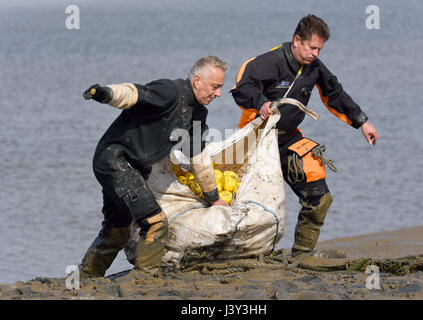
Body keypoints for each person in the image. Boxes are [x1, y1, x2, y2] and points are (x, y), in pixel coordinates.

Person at [231, 15, 378, 258]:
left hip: (289, 140)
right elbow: (241, 87)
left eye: (320, 49)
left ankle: (301, 256)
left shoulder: (315, 67)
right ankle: (241, 254)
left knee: (320, 197)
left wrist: (362, 122)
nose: (316, 53)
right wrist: (261, 103)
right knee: (248, 206)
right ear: (297, 40)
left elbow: (335, 95)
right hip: (255, 142)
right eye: (312, 47)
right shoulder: (269, 62)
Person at [78, 56, 229, 279]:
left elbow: (199, 158)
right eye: (215, 87)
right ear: (197, 80)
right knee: (156, 222)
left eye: (220, 88)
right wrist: (103, 93)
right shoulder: (169, 91)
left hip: (132, 169)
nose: (218, 94)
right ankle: (143, 280)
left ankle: (84, 278)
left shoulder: (198, 114)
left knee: (118, 230)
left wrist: (213, 197)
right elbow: (132, 94)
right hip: (114, 160)